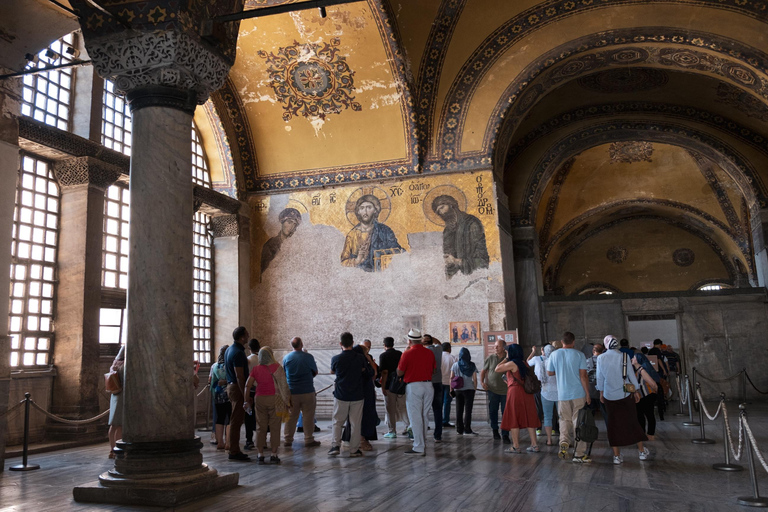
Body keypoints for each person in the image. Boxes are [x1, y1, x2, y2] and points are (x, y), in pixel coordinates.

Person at [597, 336, 650, 464]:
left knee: (613, 424)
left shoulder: (601, 358)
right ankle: (641, 451)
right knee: (632, 421)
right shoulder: (624, 356)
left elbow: (600, 378)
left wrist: (601, 393)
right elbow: (630, 376)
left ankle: (616, 456)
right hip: (626, 394)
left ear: (606, 345)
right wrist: (636, 391)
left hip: (609, 396)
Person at [547, 331, 592, 463]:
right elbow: (583, 376)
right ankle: (578, 453)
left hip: (562, 394)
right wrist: (588, 394)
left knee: (564, 420)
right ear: (573, 342)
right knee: (579, 421)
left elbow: (549, 372)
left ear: (562, 342)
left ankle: (564, 443)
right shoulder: (579, 355)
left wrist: (560, 369)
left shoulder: (554, 355)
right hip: (578, 393)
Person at [328, 332, 372, 457]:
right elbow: (364, 371)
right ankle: (354, 449)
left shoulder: (336, 359)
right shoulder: (359, 358)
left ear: (340, 344)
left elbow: (332, 371)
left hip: (341, 394)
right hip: (357, 395)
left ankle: (335, 446)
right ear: (353, 343)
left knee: (337, 421)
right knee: (355, 423)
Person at [244, 347, 290, 465]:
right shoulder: (277, 368)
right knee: (275, 427)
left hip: (259, 399)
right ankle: (274, 454)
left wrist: (246, 400)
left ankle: (260, 454)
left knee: (260, 426)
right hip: (275, 399)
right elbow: (284, 385)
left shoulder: (256, 369)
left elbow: (247, 385)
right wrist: (288, 400)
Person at [496, 344, 541, 454]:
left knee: (514, 417)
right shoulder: (525, 363)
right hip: (527, 393)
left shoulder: (512, 363)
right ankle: (534, 445)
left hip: (515, 392)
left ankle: (516, 446)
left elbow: (497, 369)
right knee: (529, 417)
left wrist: (506, 357)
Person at [397, 329, 436, 456]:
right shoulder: (429, 352)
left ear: (409, 341)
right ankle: (422, 442)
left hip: (414, 386)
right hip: (428, 385)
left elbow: (399, 372)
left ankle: (419, 446)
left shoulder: (407, 353)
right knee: (424, 416)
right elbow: (434, 370)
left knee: (415, 417)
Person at [431, 194, 490, 277]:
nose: (441, 213)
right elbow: (448, 259)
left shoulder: (471, 223)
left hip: (475, 277)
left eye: (442, 207)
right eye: (438, 212)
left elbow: (483, 261)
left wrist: (457, 261)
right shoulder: (447, 231)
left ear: (451, 205)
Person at [340, 194, 402, 272]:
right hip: (360, 276)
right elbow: (343, 262)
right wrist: (357, 260)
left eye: (369, 207)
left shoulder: (385, 231)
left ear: (375, 210)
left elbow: (398, 252)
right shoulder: (352, 235)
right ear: (358, 211)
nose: (365, 211)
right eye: (362, 208)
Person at [283, 337, 320, 448]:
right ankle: (309, 439)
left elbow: (284, 373)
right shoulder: (308, 357)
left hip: (292, 391)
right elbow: (315, 372)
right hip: (307, 391)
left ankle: (288, 439)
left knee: (291, 417)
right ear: (301, 344)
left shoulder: (287, 358)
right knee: (308, 416)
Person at [342, 345, 379, 451]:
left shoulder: (357, 363)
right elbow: (374, 373)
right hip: (363, 393)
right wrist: (370, 360)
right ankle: (361, 440)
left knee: (360, 416)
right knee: (363, 416)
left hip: (362, 392)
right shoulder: (362, 364)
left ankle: (357, 439)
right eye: (366, 353)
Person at [225, 326, 251, 461]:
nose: (248, 336)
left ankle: (233, 448)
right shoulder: (238, 353)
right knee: (236, 420)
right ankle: (234, 451)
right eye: (246, 334)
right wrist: (245, 395)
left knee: (235, 419)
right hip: (237, 387)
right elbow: (240, 376)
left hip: (231, 386)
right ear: (242, 337)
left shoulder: (230, 349)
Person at [379, 336, 409, 438]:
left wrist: (383, 387)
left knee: (390, 409)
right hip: (400, 385)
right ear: (393, 344)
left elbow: (384, 372)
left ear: (384, 345)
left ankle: (392, 431)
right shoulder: (399, 354)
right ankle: (408, 427)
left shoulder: (383, 356)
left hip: (389, 386)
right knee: (403, 407)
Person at [528, 344, 558, 446]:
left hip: (545, 392)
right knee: (562, 416)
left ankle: (549, 440)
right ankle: (564, 439)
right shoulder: (557, 362)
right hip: (559, 393)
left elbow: (527, 363)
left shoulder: (541, 362)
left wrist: (532, 351)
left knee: (547, 416)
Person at [482, 339, 510, 444]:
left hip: (505, 391)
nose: (495, 348)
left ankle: (505, 434)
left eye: (497, 346)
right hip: (492, 390)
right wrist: (482, 382)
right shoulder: (490, 358)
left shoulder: (508, 359)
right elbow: (483, 371)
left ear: (503, 347)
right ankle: (494, 430)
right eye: (495, 346)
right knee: (493, 411)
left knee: (505, 413)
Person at [261, 207, 301, 273]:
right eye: (289, 222)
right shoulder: (271, 244)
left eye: (294, 224)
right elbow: (263, 270)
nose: (291, 227)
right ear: (282, 222)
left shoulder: (295, 245)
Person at [451, 347, 478, 436]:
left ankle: (459, 429)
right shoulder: (472, 365)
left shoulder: (455, 365)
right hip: (469, 390)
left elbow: (451, 378)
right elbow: (474, 379)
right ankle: (467, 429)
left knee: (459, 410)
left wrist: (451, 389)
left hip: (458, 390)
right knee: (468, 410)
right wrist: (475, 388)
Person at [632, 353, 660, 440]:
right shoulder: (637, 369)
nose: (632, 359)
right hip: (641, 395)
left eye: (634, 358)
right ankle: (642, 432)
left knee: (649, 414)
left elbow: (652, 383)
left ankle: (650, 434)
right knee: (640, 415)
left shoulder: (642, 369)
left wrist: (655, 392)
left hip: (647, 395)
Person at [210, 345, 231, 450]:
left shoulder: (214, 366)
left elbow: (212, 382)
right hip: (229, 394)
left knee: (220, 418)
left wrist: (214, 395)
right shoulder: (229, 365)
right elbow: (233, 380)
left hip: (218, 395)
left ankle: (220, 442)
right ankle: (228, 442)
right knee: (230, 419)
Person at [424, 334, 444, 442]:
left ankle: (422, 433)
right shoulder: (438, 350)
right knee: (437, 410)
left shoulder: (423, 352)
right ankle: (438, 435)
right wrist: (431, 338)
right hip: (438, 382)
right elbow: (439, 343)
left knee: (424, 410)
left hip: (426, 382)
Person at [107, 346, 125, 459]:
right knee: (120, 425)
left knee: (114, 425)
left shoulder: (114, 365)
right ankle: (117, 451)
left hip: (115, 395)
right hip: (123, 395)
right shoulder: (124, 365)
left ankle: (112, 450)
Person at [243, 338, 260, 451]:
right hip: (261, 390)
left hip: (251, 390)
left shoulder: (248, 360)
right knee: (260, 416)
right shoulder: (262, 359)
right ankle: (261, 440)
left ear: (249, 348)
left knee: (249, 416)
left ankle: (249, 440)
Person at [441, 342, 457, 427]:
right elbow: (457, 371)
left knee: (439, 403)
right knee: (447, 402)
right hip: (449, 383)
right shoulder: (453, 358)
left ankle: (439, 420)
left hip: (439, 383)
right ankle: (445, 420)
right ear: (449, 348)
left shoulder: (438, 357)